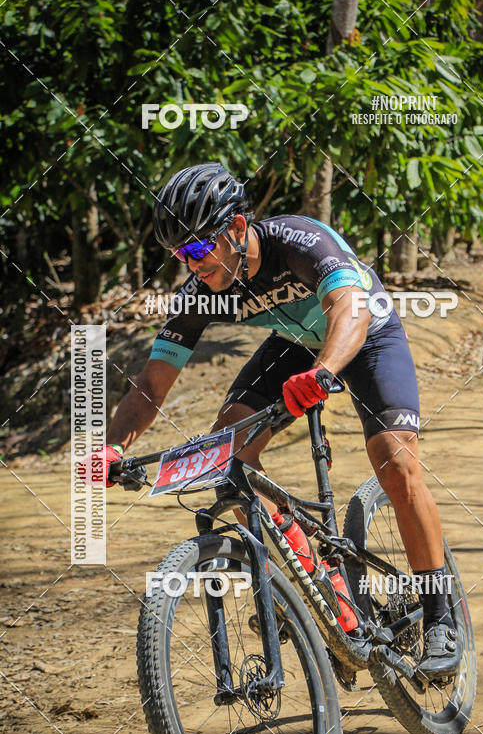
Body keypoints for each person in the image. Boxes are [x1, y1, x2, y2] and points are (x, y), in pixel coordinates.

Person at [87, 162, 461, 680]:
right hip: (297, 344)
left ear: (238, 228)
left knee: (394, 462)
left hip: (363, 330)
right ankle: (325, 589)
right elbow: (150, 386)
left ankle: (441, 615)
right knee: (229, 450)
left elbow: (349, 305)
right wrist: (110, 448)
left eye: (198, 248)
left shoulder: (297, 240)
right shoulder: (201, 292)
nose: (192, 264)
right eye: (180, 255)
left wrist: (324, 372)